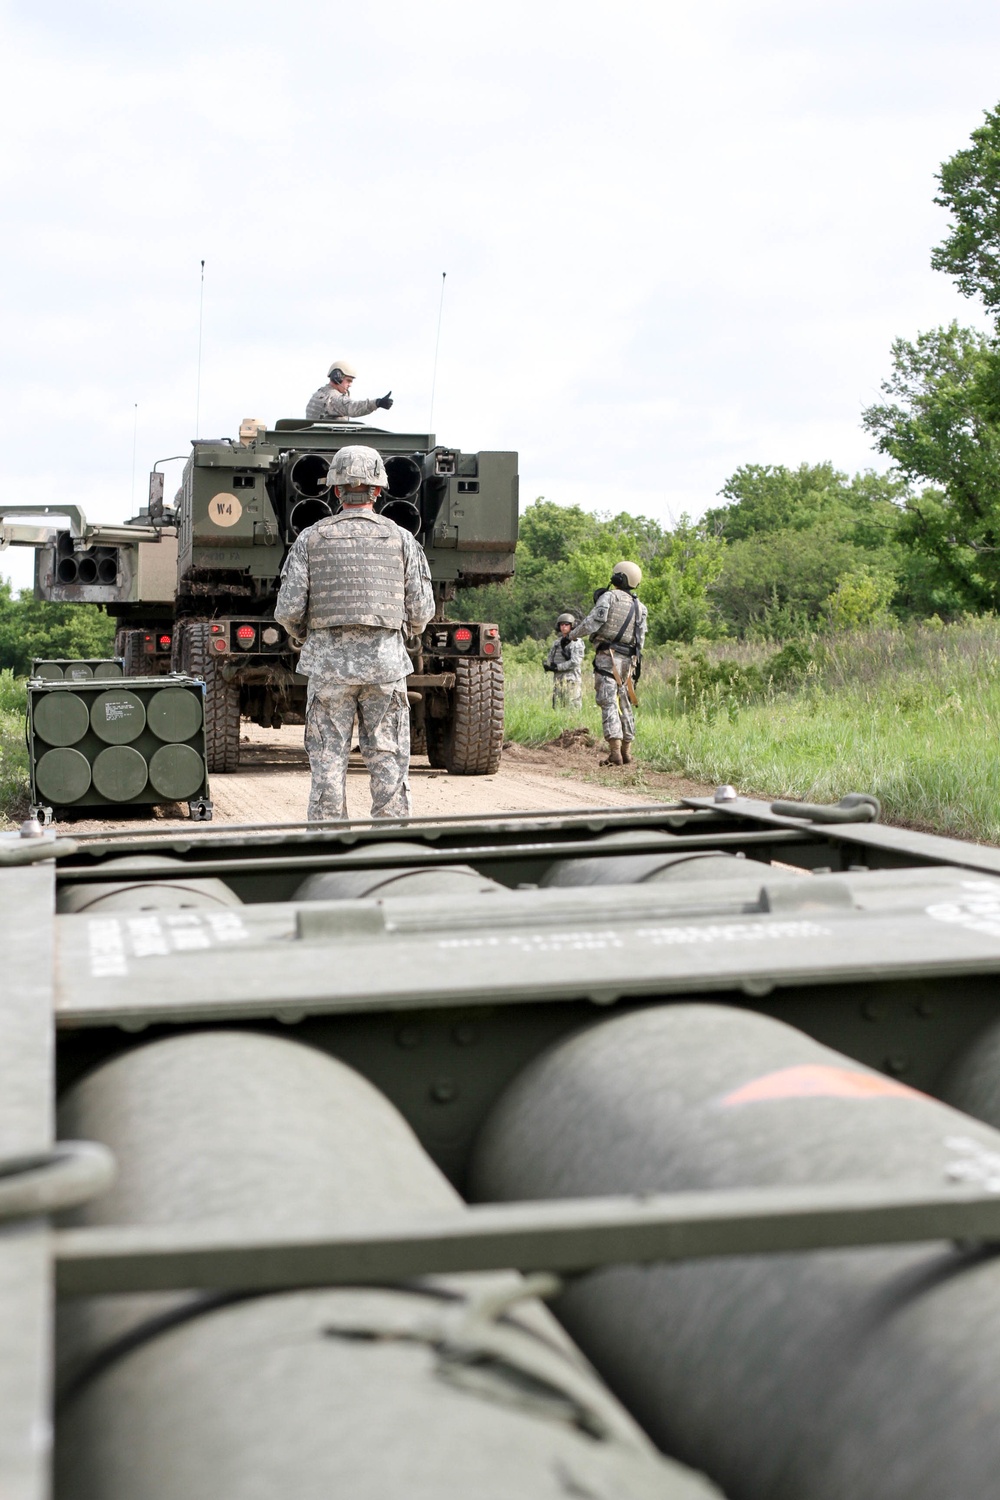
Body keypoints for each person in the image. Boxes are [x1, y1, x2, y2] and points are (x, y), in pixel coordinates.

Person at [275, 444, 434, 821]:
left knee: (328, 762)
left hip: (328, 669)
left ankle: (329, 850)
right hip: (385, 666)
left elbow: (288, 609)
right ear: (379, 490)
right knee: (389, 761)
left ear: (334, 491)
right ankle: (390, 849)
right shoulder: (401, 539)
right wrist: (402, 633)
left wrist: (305, 635)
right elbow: (422, 610)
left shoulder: (311, 539)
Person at [569, 561, 647, 766]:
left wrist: (572, 635)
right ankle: (627, 751)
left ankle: (615, 753)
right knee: (625, 702)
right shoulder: (641, 607)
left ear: (618, 578)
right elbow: (641, 640)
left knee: (608, 702)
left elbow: (592, 622)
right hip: (629, 661)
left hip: (608, 658)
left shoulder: (609, 597)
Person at [306, 361, 394, 422]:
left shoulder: (320, 393)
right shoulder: (332, 398)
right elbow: (352, 407)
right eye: (348, 381)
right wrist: (377, 403)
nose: (350, 385)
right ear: (337, 377)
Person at [543, 612, 585, 708]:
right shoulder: (557, 643)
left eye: (566, 624)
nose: (564, 627)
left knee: (572, 708)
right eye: (562, 625)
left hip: (571, 680)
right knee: (558, 708)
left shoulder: (576, 642)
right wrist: (549, 666)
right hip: (558, 680)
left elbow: (575, 662)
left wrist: (558, 667)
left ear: (572, 626)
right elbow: (550, 658)